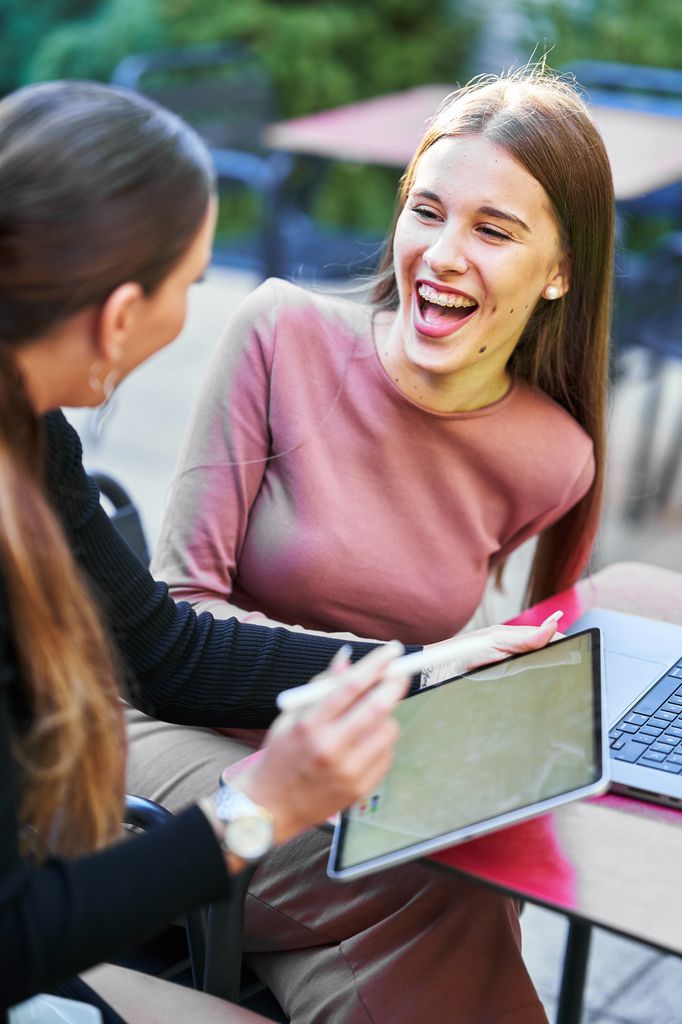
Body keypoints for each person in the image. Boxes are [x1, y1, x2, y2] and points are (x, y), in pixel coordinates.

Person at [0, 79, 561, 1024]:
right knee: (424, 871)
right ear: (119, 317)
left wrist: (426, 668)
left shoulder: (32, 439)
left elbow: (164, 652)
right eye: (192, 284)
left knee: (444, 871)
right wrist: (258, 804)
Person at [126, 66, 615, 1023]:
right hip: (173, 745)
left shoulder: (554, 459)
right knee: (443, 877)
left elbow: (491, 644)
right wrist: (408, 676)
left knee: (442, 891)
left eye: (493, 229)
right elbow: (175, 618)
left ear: (560, 272)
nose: (441, 254)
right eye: (426, 211)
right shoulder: (282, 334)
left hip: (360, 780)